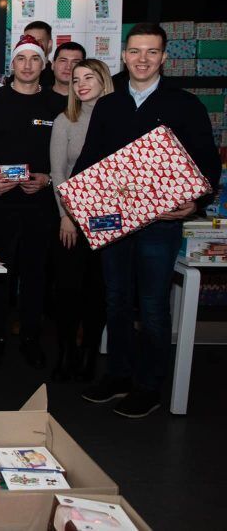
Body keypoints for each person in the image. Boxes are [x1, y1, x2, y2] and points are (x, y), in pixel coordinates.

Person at [75, 23, 220, 418]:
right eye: (135, 51)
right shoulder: (109, 105)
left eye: (151, 52)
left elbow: (207, 165)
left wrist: (194, 202)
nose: (142, 59)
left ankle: (149, 384)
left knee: (153, 306)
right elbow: (90, 161)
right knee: (117, 301)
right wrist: (80, 202)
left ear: (164, 57)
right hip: (115, 224)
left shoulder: (185, 105)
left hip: (161, 224)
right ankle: (118, 375)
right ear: (123, 55)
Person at [0, 34, 65, 369]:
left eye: (34, 59)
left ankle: (31, 338)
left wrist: (48, 177)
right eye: (21, 59)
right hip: (2, 203)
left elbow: (66, 157)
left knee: (36, 274)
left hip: (41, 206)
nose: (27, 66)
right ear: (12, 64)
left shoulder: (56, 105)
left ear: (44, 65)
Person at [49, 59, 114, 383]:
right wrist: (66, 217)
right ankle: (66, 353)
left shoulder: (119, 119)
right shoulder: (66, 120)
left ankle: (90, 354)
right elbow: (59, 173)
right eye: (76, 80)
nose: (82, 84)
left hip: (110, 221)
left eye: (89, 77)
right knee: (68, 290)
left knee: (97, 292)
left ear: (104, 80)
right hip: (72, 220)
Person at [23, 20, 55, 89]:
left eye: (38, 41)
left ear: (49, 44)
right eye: (28, 41)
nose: (33, 45)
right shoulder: (14, 78)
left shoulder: (57, 79)